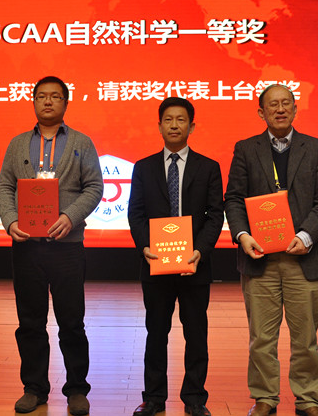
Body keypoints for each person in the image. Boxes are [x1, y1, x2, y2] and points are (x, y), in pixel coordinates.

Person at [224, 84, 318, 416]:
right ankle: (264, 398)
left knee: (305, 338)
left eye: (287, 103)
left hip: (305, 258)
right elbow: (234, 198)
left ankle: (309, 399)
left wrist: (306, 235)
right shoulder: (246, 149)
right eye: (273, 104)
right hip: (261, 259)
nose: (280, 109)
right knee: (261, 337)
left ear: (296, 109)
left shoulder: (316, 148)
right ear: (262, 112)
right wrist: (242, 235)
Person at [0, 76, 103, 416]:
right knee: (30, 321)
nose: (47, 102)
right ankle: (34, 388)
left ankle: (77, 390)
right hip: (27, 247)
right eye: (41, 96)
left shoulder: (82, 143)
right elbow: (5, 186)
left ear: (65, 103)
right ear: (33, 101)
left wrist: (71, 216)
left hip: (67, 246)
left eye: (55, 96)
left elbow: (94, 187)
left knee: (71, 322)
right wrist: (10, 220)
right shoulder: (17, 144)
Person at [128, 97, 224, 416]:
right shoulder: (143, 168)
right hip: (156, 264)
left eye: (181, 120)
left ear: (192, 126)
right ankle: (154, 398)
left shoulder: (208, 167)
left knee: (196, 334)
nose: (174, 125)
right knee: (156, 333)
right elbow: (136, 213)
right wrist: (145, 247)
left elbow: (215, 215)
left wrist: (200, 251)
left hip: (195, 265)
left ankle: (195, 398)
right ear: (159, 126)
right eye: (168, 119)